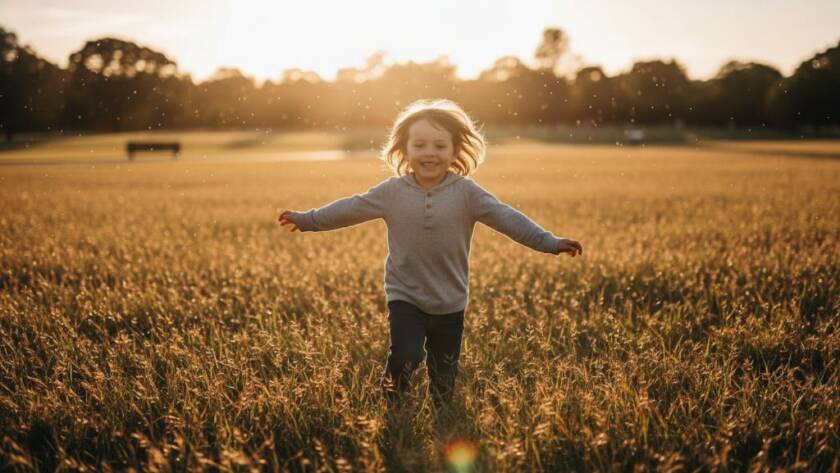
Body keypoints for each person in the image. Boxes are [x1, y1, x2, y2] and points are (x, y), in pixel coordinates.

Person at [278, 99, 582, 410]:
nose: (429, 153)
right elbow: (349, 208)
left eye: (439, 145)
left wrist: (549, 241)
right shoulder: (391, 192)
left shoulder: (468, 193)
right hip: (405, 295)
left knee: (444, 373)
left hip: (450, 300)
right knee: (406, 354)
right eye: (420, 144)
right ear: (404, 150)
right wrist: (308, 220)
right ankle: (390, 404)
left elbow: (508, 219)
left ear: (454, 151)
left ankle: (443, 419)